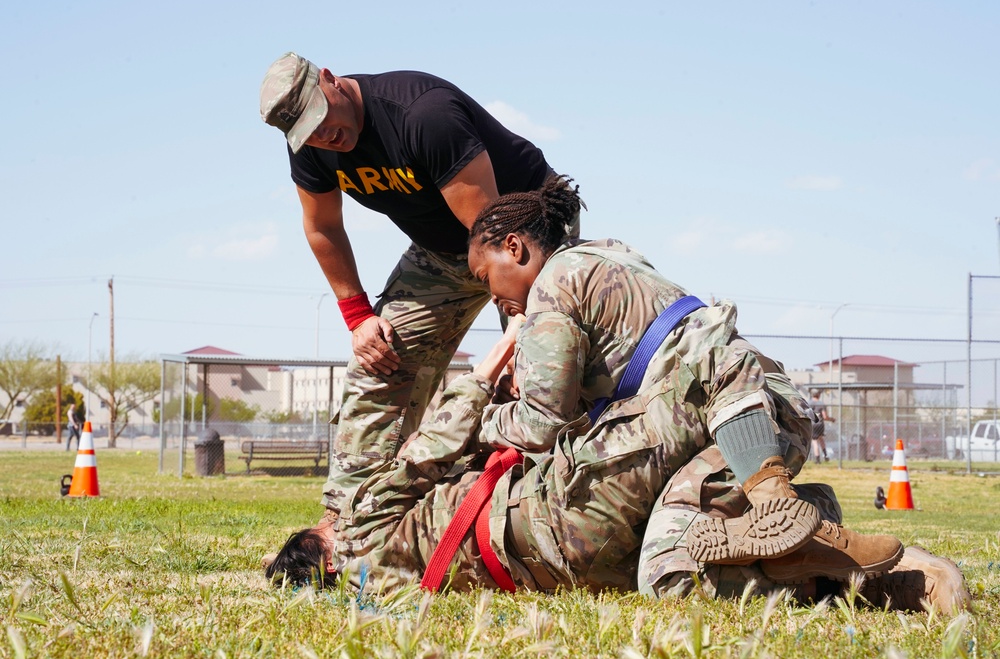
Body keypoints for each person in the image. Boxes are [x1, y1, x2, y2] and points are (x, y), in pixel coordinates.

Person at [268, 177, 911, 601]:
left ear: (517, 246)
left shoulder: (553, 290)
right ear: (325, 548)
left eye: (486, 277)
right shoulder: (610, 254)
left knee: (666, 569)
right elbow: (469, 441)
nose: (492, 296)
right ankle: (807, 530)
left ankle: (795, 524)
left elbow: (544, 419)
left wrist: (499, 407)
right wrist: (483, 384)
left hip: (566, 545)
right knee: (672, 552)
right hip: (747, 410)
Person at [258, 53, 575, 524]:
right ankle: (346, 524)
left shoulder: (422, 115)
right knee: (378, 360)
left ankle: (550, 513)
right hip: (440, 251)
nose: (322, 135)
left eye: (319, 117)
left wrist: (521, 333)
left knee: (540, 372)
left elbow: (495, 242)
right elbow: (322, 226)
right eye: (306, 131)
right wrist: (359, 317)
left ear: (329, 79)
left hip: (523, 239)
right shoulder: (310, 146)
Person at [808, 389, 833, 463]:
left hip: (812, 424)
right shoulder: (821, 403)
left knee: (815, 441)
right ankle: (825, 455)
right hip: (820, 424)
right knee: (821, 439)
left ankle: (818, 459)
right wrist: (831, 419)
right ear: (818, 395)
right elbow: (825, 417)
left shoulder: (808, 403)